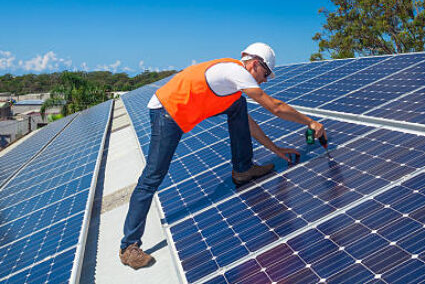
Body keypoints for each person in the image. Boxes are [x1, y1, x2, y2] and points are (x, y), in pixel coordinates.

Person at [119, 42, 326, 269]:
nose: (265, 80)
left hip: (181, 110)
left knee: (239, 107)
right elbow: (274, 107)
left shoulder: (233, 88)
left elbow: (248, 124)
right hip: (167, 112)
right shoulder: (235, 72)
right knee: (153, 176)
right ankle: (128, 246)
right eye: (265, 73)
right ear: (255, 64)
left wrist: (276, 150)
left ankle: (243, 169)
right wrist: (311, 122)